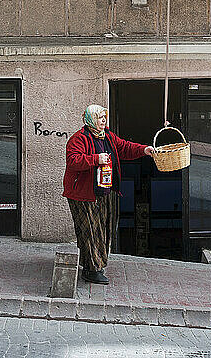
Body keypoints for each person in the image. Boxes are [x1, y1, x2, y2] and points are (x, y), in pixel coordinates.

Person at [63, 104, 154, 285]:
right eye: (100, 118)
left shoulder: (108, 137)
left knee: (103, 230)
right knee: (89, 231)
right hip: (83, 194)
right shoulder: (78, 139)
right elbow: (73, 161)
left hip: (104, 191)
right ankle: (91, 269)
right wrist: (95, 159)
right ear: (89, 119)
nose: (104, 121)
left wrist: (144, 150)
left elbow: (125, 148)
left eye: (104, 117)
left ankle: (97, 263)